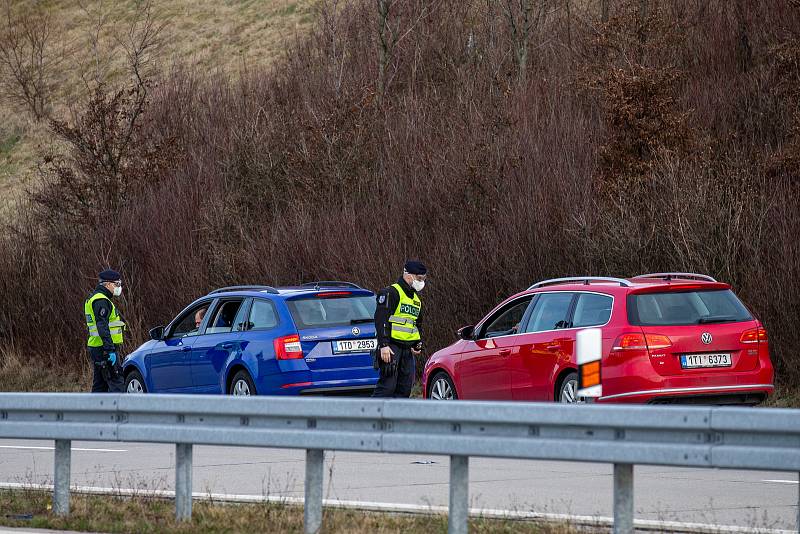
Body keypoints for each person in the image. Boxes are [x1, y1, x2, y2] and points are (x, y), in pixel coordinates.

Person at [372, 260, 426, 398]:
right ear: (408, 275)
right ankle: (370, 417)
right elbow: (381, 319)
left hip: (407, 351)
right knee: (387, 387)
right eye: (419, 278)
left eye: (423, 279)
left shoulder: (416, 300)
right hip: (391, 347)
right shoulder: (391, 292)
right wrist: (383, 345)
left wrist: (417, 343)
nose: (421, 282)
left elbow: (416, 324)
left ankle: (394, 419)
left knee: (405, 389)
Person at [84, 269, 126, 393]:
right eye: (116, 284)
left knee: (100, 385)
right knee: (116, 381)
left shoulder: (96, 298)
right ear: (107, 284)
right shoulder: (101, 300)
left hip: (97, 347)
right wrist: (109, 350)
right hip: (104, 349)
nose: (119, 287)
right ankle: (120, 411)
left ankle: (96, 411)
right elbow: (102, 326)